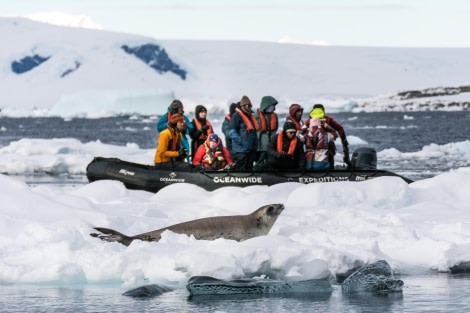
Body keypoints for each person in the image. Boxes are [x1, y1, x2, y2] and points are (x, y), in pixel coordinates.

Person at [307, 104, 352, 169]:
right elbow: (340, 128)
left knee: (327, 157)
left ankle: (328, 172)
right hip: (320, 146)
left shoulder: (311, 121)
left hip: (323, 146)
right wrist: (343, 140)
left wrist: (344, 140)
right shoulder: (325, 120)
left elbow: (339, 128)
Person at [228, 95, 259, 171]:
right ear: (243, 106)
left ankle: (252, 183)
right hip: (241, 150)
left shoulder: (250, 116)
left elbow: (253, 132)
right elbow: (232, 132)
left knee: (249, 169)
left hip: (250, 150)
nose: (249, 108)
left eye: (250, 106)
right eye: (248, 106)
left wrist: (255, 145)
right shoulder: (236, 116)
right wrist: (242, 142)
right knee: (242, 170)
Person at [254, 95, 279, 170]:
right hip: (261, 141)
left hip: (271, 140)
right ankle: (256, 171)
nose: (271, 108)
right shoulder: (256, 115)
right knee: (262, 157)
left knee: (270, 157)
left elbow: (275, 128)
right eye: (269, 106)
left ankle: (269, 172)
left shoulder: (274, 116)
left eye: (272, 106)